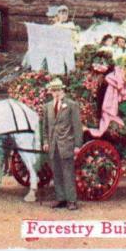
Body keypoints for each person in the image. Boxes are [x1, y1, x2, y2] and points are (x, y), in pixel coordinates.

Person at [42, 78, 82, 211]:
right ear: (50, 92)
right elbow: (45, 127)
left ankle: (72, 200)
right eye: (53, 91)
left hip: (66, 144)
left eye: (58, 90)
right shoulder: (47, 107)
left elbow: (77, 126)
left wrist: (77, 145)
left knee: (68, 172)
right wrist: (46, 142)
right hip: (53, 145)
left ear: (62, 90)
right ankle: (61, 199)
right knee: (56, 173)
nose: (56, 93)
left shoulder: (71, 105)